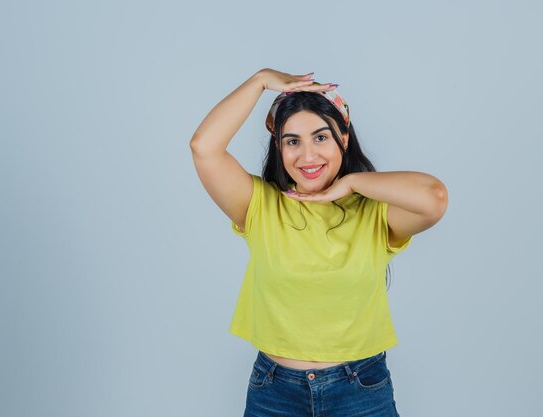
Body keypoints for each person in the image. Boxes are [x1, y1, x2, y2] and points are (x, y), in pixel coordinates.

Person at [189, 68, 448, 417]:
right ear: (279, 147)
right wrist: (260, 80)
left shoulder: (374, 213)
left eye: (321, 137)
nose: (307, 156)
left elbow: (434, 197)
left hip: (360, 389)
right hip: (274, 392)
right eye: (292, 141)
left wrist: (353, 183)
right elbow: (204, 147)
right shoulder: (259, 204)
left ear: (344, 137)